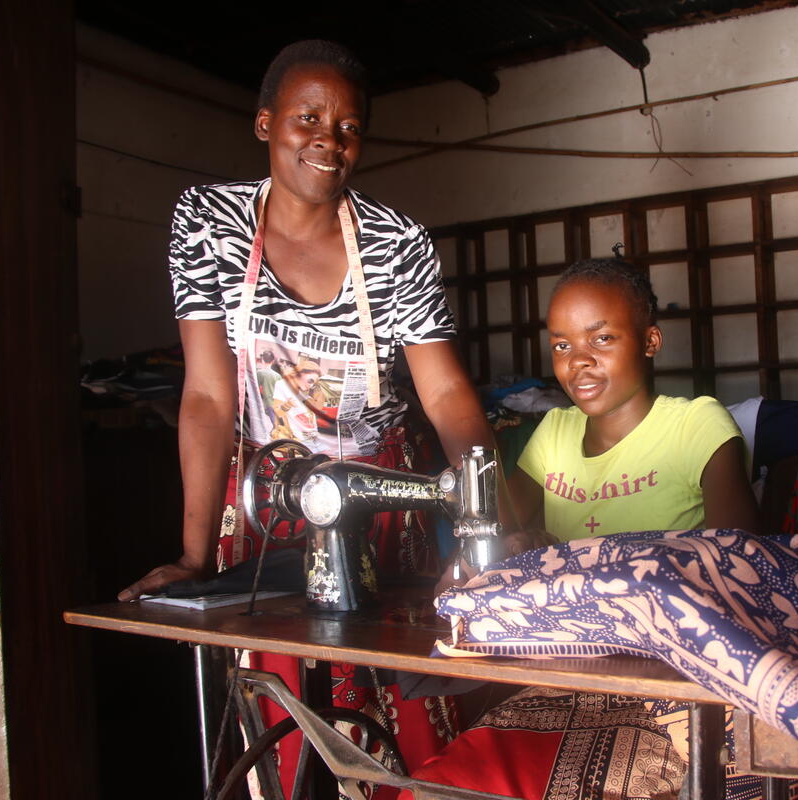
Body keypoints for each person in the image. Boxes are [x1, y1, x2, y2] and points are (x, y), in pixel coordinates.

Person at [117, 37, 502, 791]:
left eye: (350, 126)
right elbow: (205, 395)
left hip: (382, 498)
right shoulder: (208, 222)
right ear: (266, 124)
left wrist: (495, 516)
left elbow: (446, 394)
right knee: (279, 710)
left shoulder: (397, 243)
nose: (329, 140)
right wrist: (195, 560)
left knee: (403, 711)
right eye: (309, 118)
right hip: (266, 498)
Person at [418, 258, 762, 799]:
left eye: (601, 339)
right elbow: (502, 532)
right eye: (561, 345)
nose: (578, 363)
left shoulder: (696, 424)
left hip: (671, 676)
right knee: (445, 783)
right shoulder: (554, 432)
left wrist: (572, 564)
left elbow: (737, 558)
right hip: (561, 676)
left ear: (650, 341)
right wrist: (504, 549)